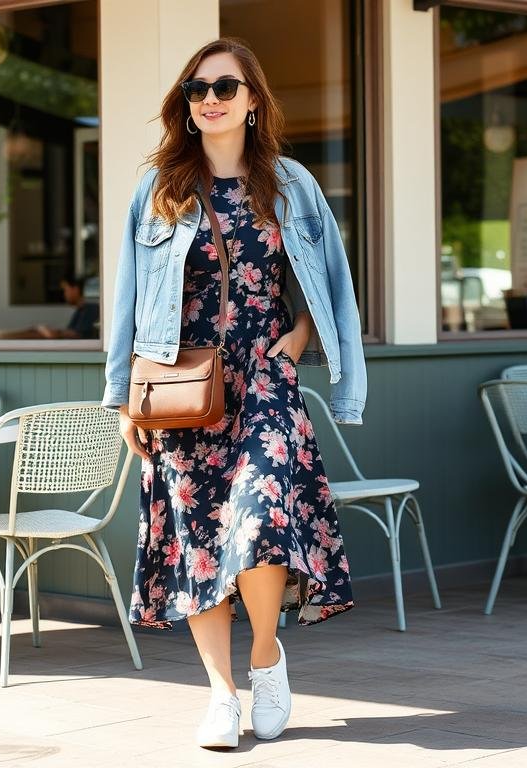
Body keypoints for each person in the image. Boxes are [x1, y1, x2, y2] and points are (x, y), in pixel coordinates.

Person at [101, 37, 367, 750]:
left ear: (252, 101)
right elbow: (127, 299)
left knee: (262, 520)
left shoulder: (291, 184)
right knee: (197, 538)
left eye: (225, 87)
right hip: (182, 384)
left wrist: (303, 335)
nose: (210, 99)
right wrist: (125, 396)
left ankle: (266, 659)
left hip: (265, 378)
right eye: (197, 89)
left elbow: (331, 279)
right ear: (186, 105)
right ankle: (221, 693)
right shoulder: (159, 188)